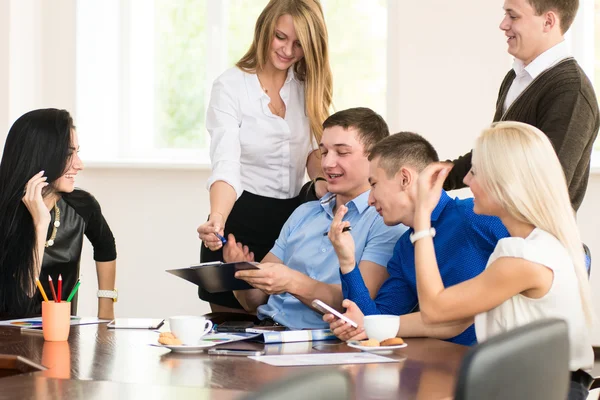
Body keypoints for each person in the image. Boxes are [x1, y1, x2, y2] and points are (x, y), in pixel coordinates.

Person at [412, 122, 594, 399]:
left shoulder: (523, 258)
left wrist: (422, 218)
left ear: (505, 180)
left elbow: (435, 309)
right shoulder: (545, 246)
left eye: (475, 171)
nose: (466, 180)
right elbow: (456, 320)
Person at [196, 0, 333, 313]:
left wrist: (322, 178)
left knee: (285, 331)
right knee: (231, 345)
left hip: (292, 224)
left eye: (299, 44)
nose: (288, 50)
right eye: (281, 37)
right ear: (264, 30)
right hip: (239, 220)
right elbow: (226, 163)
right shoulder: (230, 86)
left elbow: (313, 149)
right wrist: (217, 217)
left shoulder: (307, 85)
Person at [224, 108, 406, 329]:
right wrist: (238, 271)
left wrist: (293, 282)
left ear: (375, 158)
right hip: (263, 333)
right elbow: (252, 302)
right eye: (324, 152)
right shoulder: (304, 213)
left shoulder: (385, 222)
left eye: (341, 152)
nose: (327, 163)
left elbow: (358, 306)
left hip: (322, 346)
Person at [324, 132, 508, 346]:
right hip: (443, 367)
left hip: (503, 366)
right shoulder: (405, 248)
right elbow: (373, 325)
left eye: (374, 185)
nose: (371, 199)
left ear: (404, 178)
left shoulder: (476, 216)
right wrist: (348, 264)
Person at [444, 0, 600, 211]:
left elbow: (548, 185)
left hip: (535, 238)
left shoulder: (571, 90)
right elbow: (492, 155)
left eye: (513, 16)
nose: (503, 24)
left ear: (548, 21)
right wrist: (440, 175)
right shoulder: (515, 77)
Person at [0, 109, 117, 320]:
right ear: (39, 155)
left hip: (61, 335)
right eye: (67, 154)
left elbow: (106, 246)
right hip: (8, 340)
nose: (79, 164)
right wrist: (40, 223)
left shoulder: (82, 205)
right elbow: (19, 302)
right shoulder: (5, 211)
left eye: (77, 153)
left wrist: (106, 313)